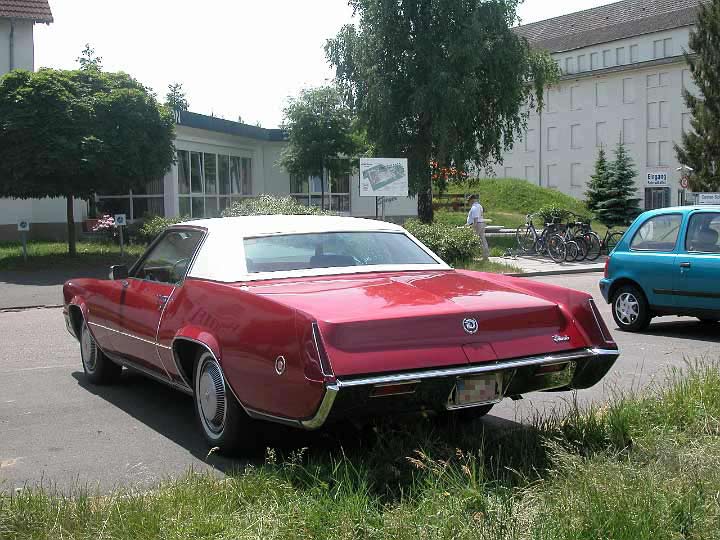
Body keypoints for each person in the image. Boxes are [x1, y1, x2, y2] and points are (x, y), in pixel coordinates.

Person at [466, 194, 490, 260]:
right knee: (483, 239)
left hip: (477, 224)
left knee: (472, 239)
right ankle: (485, 255)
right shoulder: (479, 206)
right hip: (481, 223)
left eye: (469, 201)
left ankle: (470, 254)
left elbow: (475, 219)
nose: (469, 202)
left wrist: (473, 226)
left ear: (472, 200)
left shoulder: (474, 207)